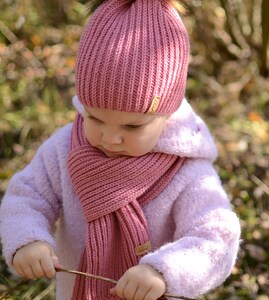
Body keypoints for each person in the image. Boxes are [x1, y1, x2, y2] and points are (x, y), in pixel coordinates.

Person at [0, 0, 241, 299]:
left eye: (132, 127)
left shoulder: (187, 171)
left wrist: (163, 270)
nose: (110, 138)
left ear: (167, 115)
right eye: (95, 118)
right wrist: (27, 240)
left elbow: (216, 238)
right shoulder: (66, 149)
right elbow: (27, 195)